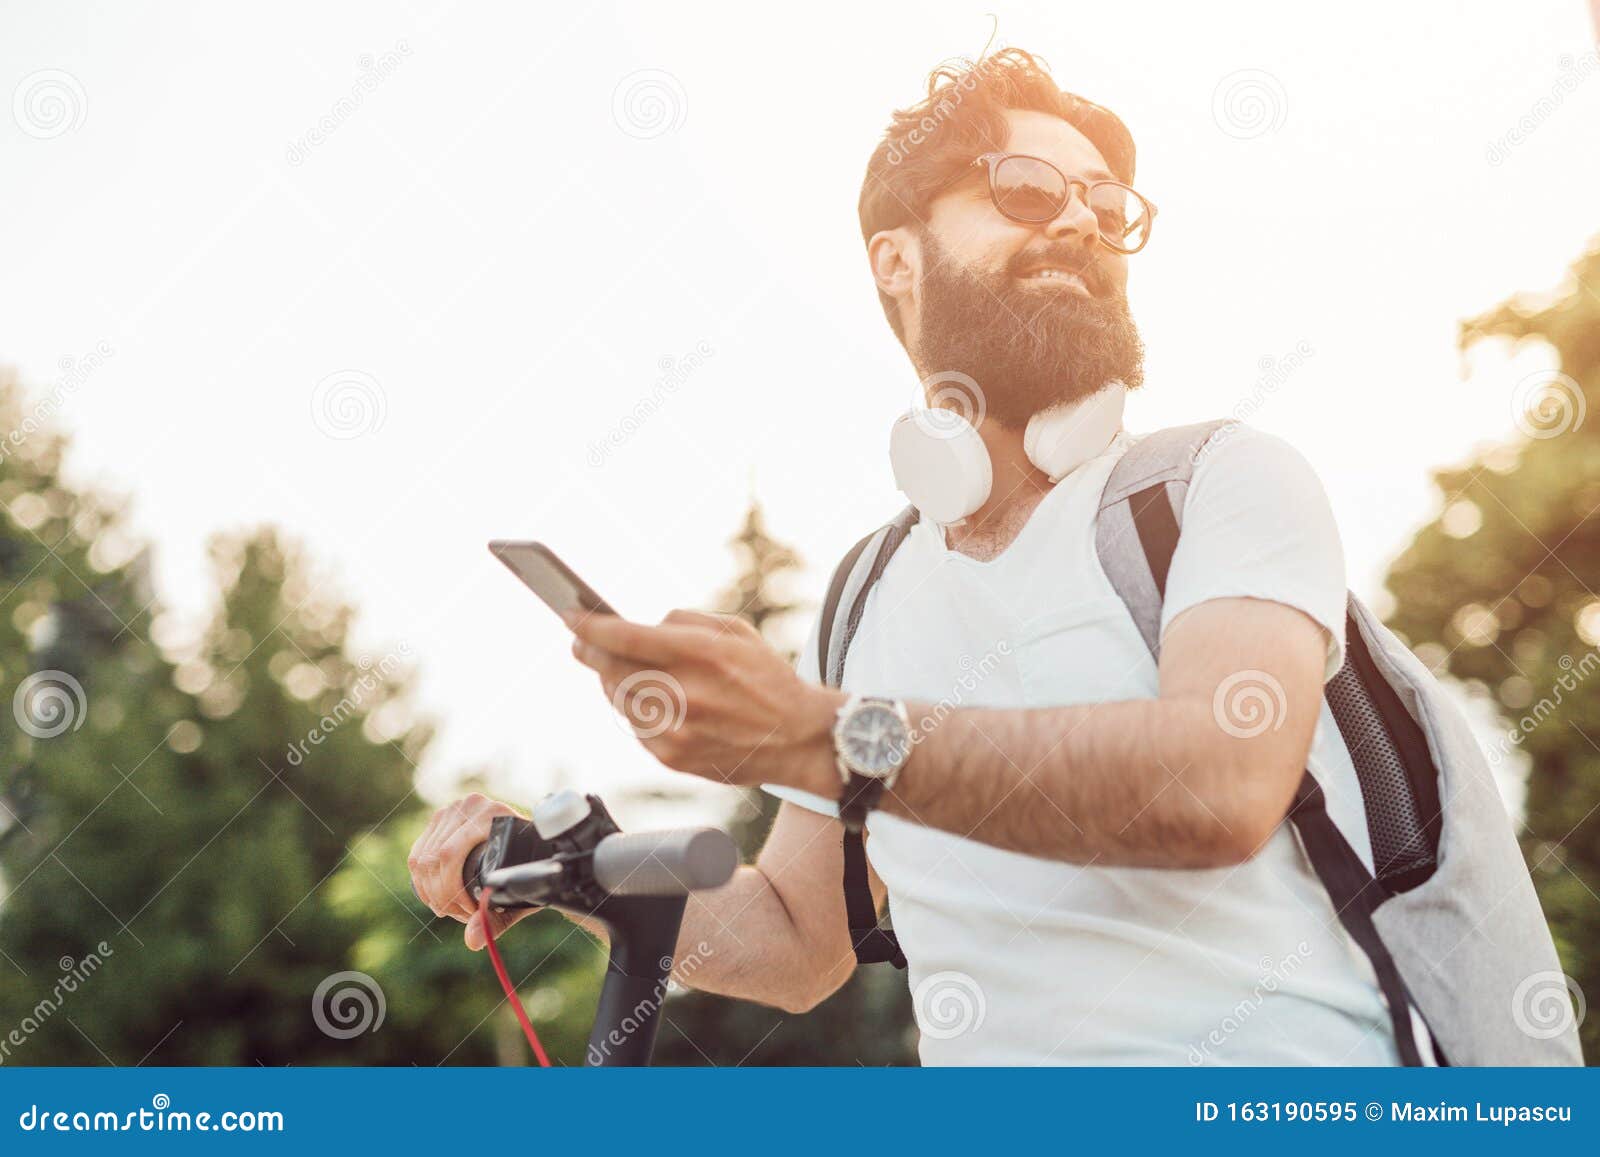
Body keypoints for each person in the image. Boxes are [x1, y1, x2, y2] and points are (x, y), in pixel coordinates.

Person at [410, 48, 1399, 1065]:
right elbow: (795, 943)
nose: (1077, 221)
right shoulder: (867, 597)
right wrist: (581, 871)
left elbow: (1220, 784)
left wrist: (820, 736)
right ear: (895, 258)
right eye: (1025, 187)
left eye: (1108, 209)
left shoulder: (1220, 484)